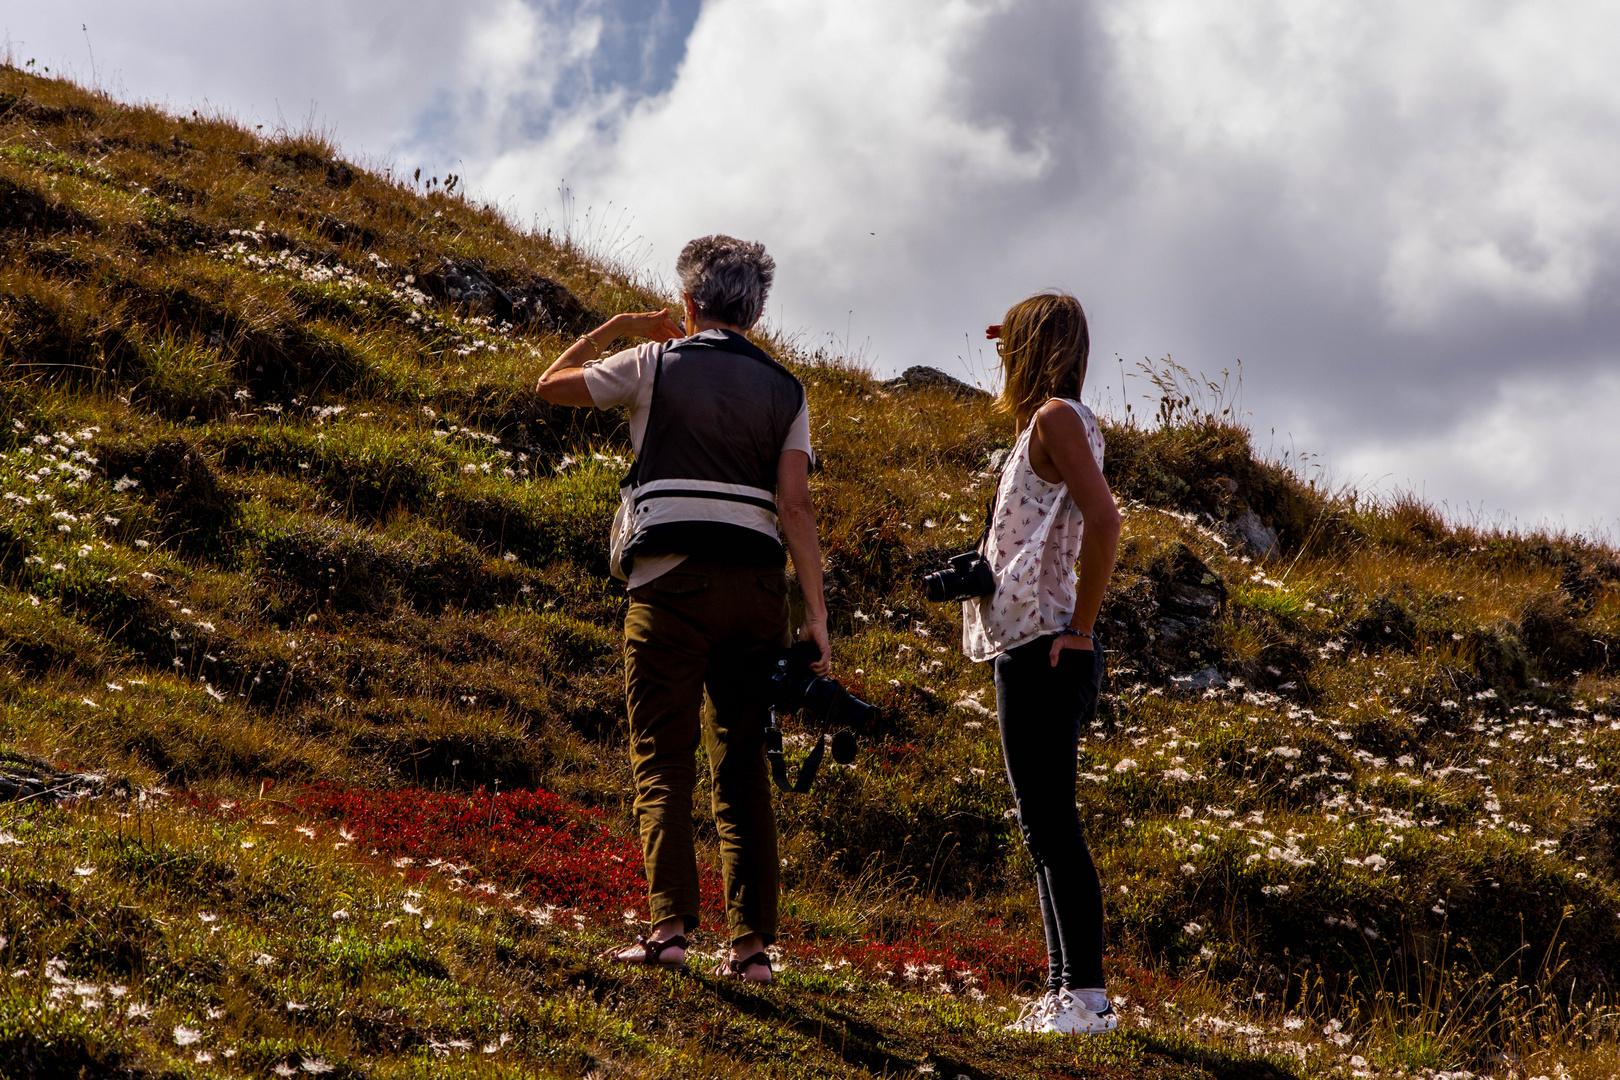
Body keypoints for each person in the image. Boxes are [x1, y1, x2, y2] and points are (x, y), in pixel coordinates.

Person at [534, 235, 829, 984]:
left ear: (691, 303)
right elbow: (794, 507)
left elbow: (549, 384)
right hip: (758, 591)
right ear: (756, 313)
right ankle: (753, 950)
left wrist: (620, 329)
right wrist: (816, 617)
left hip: (669, 585)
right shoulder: (788, 390)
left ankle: (669, 931)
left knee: (664, 760)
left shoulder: (651, 364)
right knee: (742, 769)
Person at [963, 292, 1122, 1034]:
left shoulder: (1056, 418)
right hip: (1034, 638)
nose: (1002, 360)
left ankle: (1084, 995)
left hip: (1047, 642)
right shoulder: (1059, 420)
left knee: (1051, 822)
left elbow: (1106, 520)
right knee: (1043, 823)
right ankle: (1066, 991)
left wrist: (1082, 630)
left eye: (1011, 347)